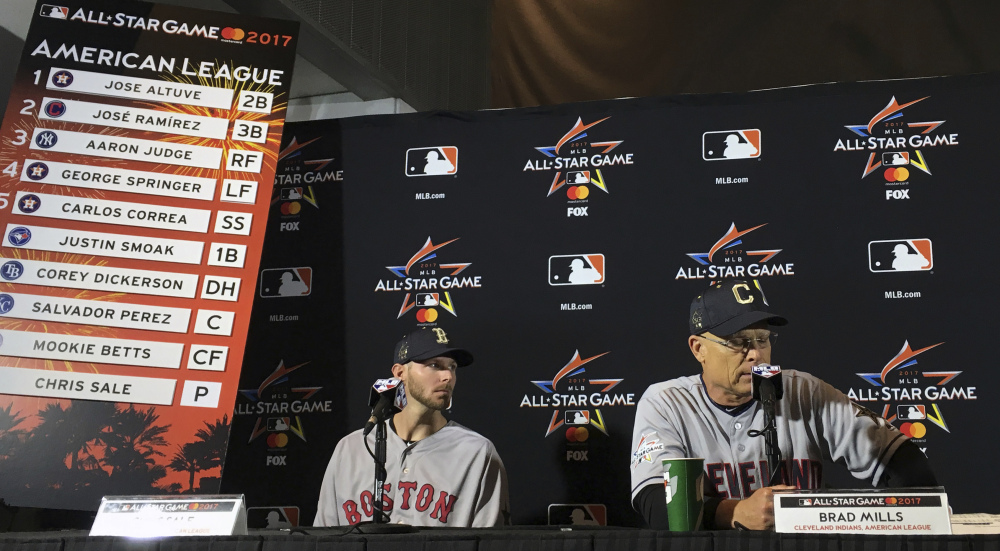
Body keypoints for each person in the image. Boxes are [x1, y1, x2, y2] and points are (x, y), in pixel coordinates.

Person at [630, 280, 937, 530]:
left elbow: (905, 463)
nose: (755, 355)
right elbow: (656, 502)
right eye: (738, 341)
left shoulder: (805, 392)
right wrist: (735, 512)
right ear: (699, 349)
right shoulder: (667, 403)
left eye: (762, 339)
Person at [315, 328, 509, 527]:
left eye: (452, 367)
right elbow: (324, 538)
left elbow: (490, 540)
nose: (448, 377)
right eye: (434, 365)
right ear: (400, 373)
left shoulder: (476, 453)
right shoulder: (350, 449)